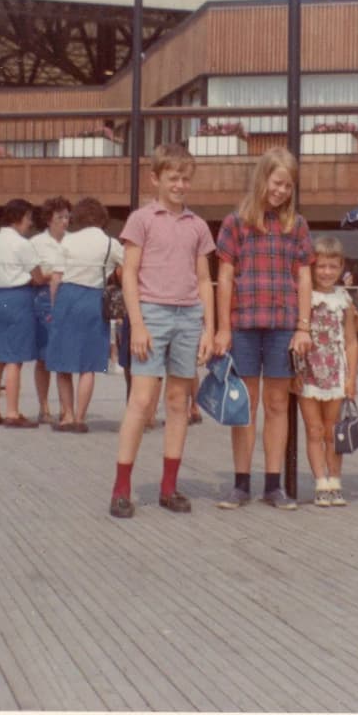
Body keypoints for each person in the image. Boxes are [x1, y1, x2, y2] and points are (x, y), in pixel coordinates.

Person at [109, 144, 215, 518]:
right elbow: (129, 276)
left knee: (178, 402)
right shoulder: (141, 220)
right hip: (151, 315)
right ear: (156, 179)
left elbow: (204, 280)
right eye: (173, 178)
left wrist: (209, 328)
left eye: (186, 179)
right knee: (141, 401)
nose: (180, 185)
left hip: (188, 316)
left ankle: (169, 486)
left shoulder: (198, 226)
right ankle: (122, 486)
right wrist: (136, 323)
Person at [214, 147, 313, 511]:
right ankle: (241, 484)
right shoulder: (235, 222)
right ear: (262, 179)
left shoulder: (297, 226)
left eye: (288, 186)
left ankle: (273, 485)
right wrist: (223, 328)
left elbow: (304, 277)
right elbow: (224, 277)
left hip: (281, 327)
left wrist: (303, 327)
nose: (282, 191)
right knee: (245, 406)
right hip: (243, 326)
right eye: (277, 183)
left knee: (276, 404)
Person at [45, 197, 122, 433]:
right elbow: (128, 268)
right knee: (88, 363)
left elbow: (56, 278)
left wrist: (53, 305)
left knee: (63, 362)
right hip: (93, 299)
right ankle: (80, 417)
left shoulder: (68, 241)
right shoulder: (111, 243)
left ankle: (66, 415)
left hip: (67, 296)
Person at [293, 236, 358, 507]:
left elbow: (352, 341)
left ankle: (335, 479)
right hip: (308, 373)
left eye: (333, 266)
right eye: (321, 266)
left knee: (333, 432)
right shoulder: (304, 296)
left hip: (335, 373)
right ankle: (320, 480)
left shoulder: (344, 300)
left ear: (341, 266)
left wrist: (352, 377)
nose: (327, 272)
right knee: (314, 430)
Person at [0, 198, 48, 427]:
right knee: (15, 359)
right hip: (18, 297)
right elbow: (38, 276)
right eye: (29, 218)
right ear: (20, 218)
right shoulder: (22, 244)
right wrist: (49, 275)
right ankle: (12, 412)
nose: (30, 223)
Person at [30, 197, 71, 423]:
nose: (64, 222)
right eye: (59, 218)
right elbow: (34, 275)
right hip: (44, 298)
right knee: (43, 357)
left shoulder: (73, 241)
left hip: (67, 297)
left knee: (64, 354)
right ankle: (44, 407)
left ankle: (66, 408)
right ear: (48, 220)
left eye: (67, 217)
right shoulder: (36, 243)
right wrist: (54, 274)